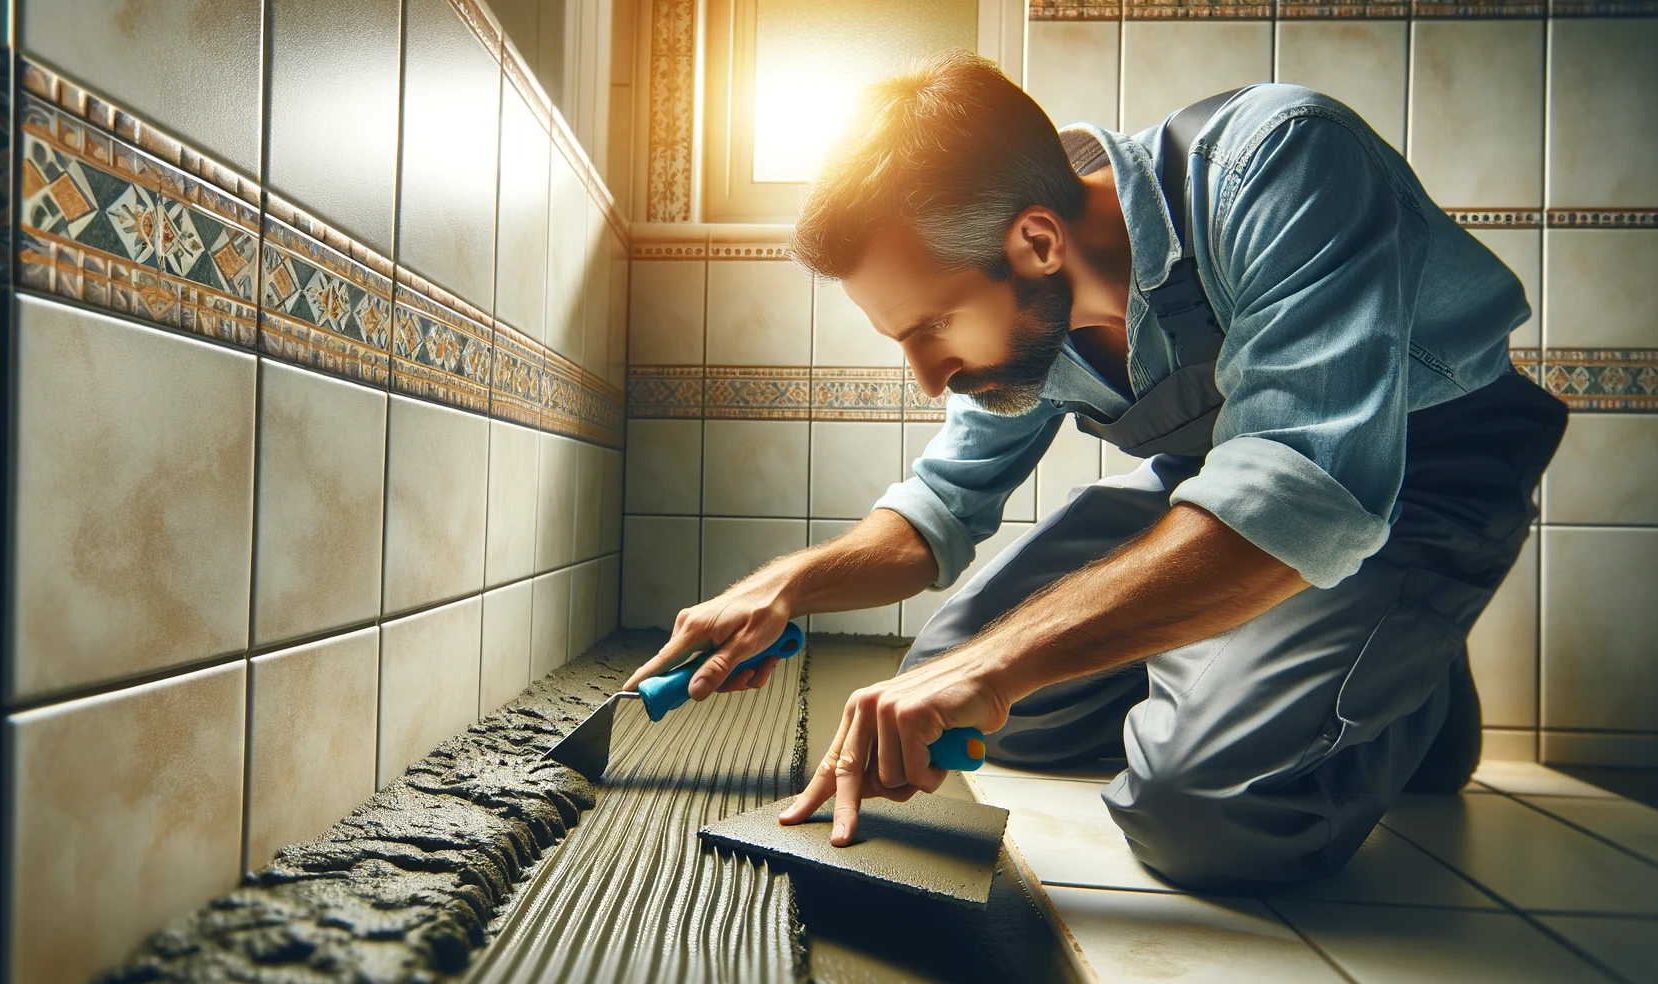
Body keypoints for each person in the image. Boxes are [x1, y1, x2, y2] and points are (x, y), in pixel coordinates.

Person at [624, 50, 1565, 891]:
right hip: (1217, 485)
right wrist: (787, 587)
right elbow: (939, 509)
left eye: (931, 328)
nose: (926, 377)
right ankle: (1329, 655)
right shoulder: (1021, 302)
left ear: (1037, 241)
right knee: (953, 696)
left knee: (1203, 815)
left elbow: (1303, 489)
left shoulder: (1280, 159)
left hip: (1408, 472)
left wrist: (1000, 663)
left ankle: (1386, 647)